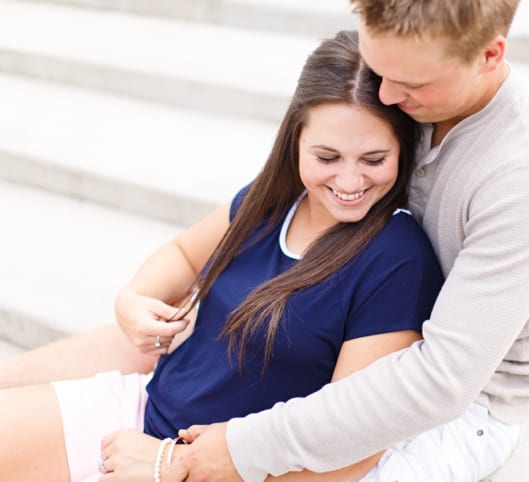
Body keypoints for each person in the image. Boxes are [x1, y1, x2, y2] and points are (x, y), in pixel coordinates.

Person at [158, 1, 529, 481]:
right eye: (379, 69)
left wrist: (242, 449)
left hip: (460, 407)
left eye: (410, 84)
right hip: (352, 340)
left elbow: (440, 382)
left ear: (489, 55)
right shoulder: (408, 86)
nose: (384, 93)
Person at [0, 30, 444, 482]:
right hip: (140, 408)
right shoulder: (269, 202)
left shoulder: (397, 258)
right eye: (327, 156)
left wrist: (172, 466)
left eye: (373, 159)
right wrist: (134, 299)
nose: (350, 182)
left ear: (402, 151)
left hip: (220, 469)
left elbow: (354, 444)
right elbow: (183, 254)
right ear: (296, 141)